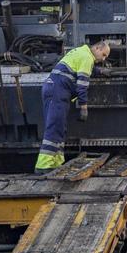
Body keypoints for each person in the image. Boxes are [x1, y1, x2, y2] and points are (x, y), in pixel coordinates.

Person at [37, 40, 112, 172]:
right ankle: (43, 165)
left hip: (54, 90)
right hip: (57, 92)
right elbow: (82, 85)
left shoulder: (82, 52)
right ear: (97, 48)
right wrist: (84, 107)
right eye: (104, 55)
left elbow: (81, 68)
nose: (103, 59)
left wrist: (99, 71)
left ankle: (56, 162)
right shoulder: (87, 58)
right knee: (54, 127)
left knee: (59, 127)